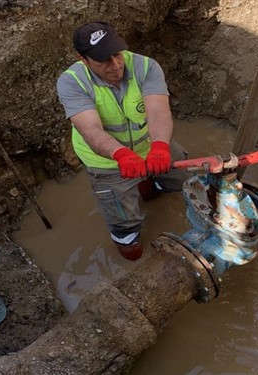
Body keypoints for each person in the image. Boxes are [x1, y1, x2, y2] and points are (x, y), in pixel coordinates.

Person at [57, 21, 190, 261]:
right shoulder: (72, 82)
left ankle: (153, 187)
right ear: (83, 59)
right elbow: (91, 130)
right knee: (125, 225)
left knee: (185, 181)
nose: (115, 65)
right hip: (108, 162)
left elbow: (159, 113)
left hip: (152, 145)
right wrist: (121, 155)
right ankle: (133, 257)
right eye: (102, 61)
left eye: (117, 54)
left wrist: (160, 147)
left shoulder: (146, 66)